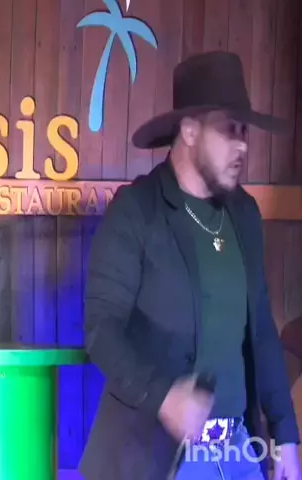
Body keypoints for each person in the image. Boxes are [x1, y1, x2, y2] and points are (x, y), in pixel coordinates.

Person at [79, 51, 301, 480]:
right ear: (190, 130)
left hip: (240, 452)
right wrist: (164, 396)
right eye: (229, 129)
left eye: (245, 131)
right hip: (158, 459)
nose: (243, 145)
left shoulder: (244, 214)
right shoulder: (137, 210)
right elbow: (101, 331)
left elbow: (262, 333)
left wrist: (286, 436)